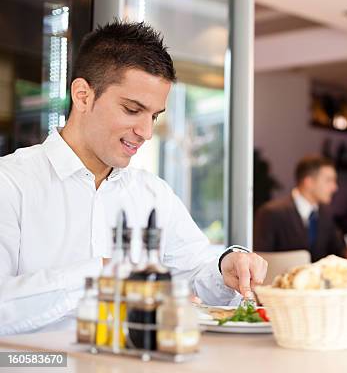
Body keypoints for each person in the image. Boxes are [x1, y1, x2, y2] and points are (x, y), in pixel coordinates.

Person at [0, 21, 267, 335]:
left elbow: (194, 273)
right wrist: (101, 275)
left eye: (154, 115)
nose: (147, 132)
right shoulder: (11, 183)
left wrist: (225, 267)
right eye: (131, 109)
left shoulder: (153, 193)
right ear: (83, 96)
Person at [254, 155, 347, 261]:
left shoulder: (325, 213)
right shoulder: (271, 212)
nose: (335, 187)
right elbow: (260, 258)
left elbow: (340, 250)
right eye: (329, 180)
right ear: (309, 182)